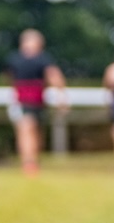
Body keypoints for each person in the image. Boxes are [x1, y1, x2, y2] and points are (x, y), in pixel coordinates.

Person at [5, 28, 68, 176]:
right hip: (22, 101)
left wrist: (61, 97)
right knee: (26, 129)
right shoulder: (15, 59)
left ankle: (32, 161)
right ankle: (28, 162)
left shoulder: (43, 59)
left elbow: (54, 77)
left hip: (37, 101)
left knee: (36, 133)